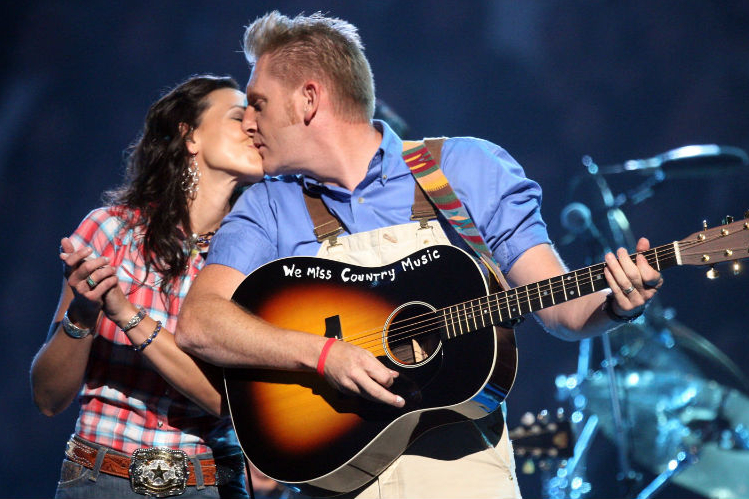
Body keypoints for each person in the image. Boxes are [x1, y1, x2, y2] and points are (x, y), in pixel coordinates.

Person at [175, 11, 663, 499]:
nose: (247, 120)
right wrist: (323, 354)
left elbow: (562, 310)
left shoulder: (465, 169)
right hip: (335, 481)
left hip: (463, 479)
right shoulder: (268, 204)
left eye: (258, 104)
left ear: (308, 99)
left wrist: (616, 304)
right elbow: (199, 322)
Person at [30, 75, 264, 498]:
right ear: (189, 135)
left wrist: (125, 314)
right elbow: (48, 397)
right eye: (237, 116)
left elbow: (230, 404)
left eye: (255, 119)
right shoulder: (111, 230)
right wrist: (82, 314)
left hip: (209, 485)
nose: (253, 126)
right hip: (100, 481)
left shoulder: (259, 257)